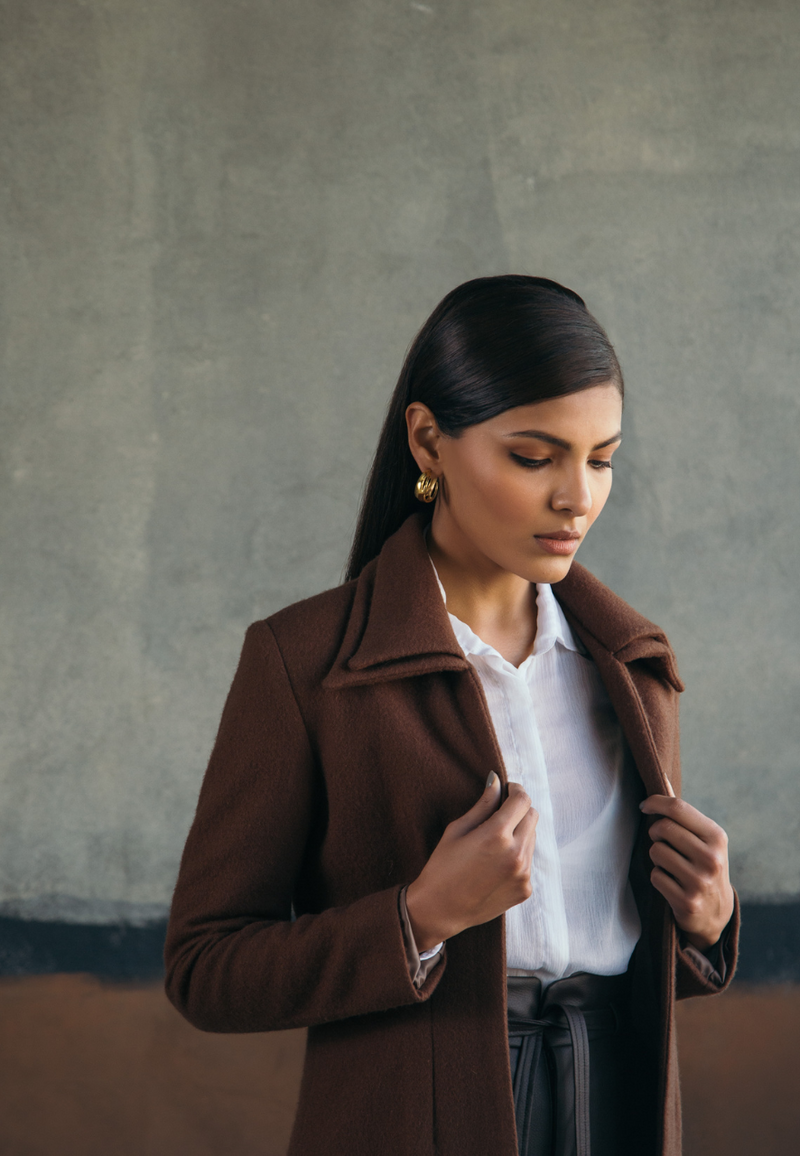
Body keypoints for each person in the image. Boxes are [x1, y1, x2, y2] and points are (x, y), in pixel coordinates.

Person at [164, 275, 739, 1156]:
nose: (576, 498)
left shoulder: (633, 665)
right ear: (429, 441)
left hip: (619, 1103)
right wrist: (420, 917)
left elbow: (619, 951)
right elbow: (205, 972)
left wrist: (706, 921)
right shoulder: (305, 662)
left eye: (601, 458)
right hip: (414, 1120)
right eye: (534, 456)